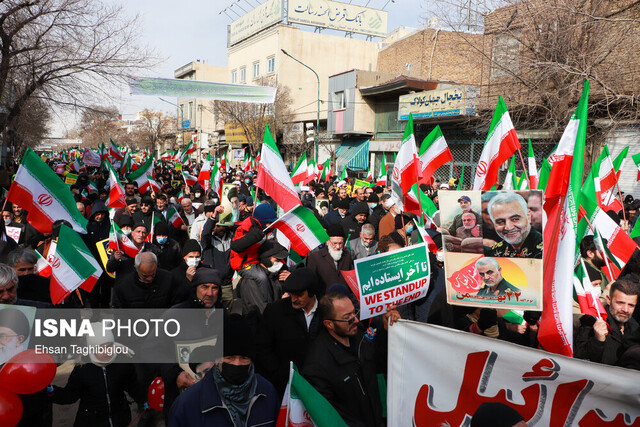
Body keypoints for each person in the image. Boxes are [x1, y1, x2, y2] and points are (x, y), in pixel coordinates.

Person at [302, 292, 400, 427]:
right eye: (348, 318)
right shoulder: (316, 365)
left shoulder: (359, 337)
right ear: (329, 324)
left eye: (355, 313)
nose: (356, 320)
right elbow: (327, 415)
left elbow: (381, 364)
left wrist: (387, 331)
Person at [168, 314, 280, 427]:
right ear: (217, 359)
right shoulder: (187, 404)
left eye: (244, 358)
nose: (237, 364)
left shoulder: (267, 393)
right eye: (229, 358)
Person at [50, 323, 145, 427]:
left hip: (119, 418)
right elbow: (70, 395)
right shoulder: (82, 369)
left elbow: (133, 386)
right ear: (91, 349)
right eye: (100, 349)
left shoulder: (122, 364)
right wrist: (51, 391)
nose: (106, 352)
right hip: (91, 421)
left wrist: (145, 398)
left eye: (109, 346)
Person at [257, 268, 321, 395]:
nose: (293, 299)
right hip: (285, 388)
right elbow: (262, 348)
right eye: (291, 294)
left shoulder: (327, 310)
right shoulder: (275, 311)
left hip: (319, 387)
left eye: (299, 295)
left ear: (312, 291)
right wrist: (280, 374)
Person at [574, 277, 640, 366]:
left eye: (631, 305)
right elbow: (579, 360)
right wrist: (598, 340)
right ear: (609, 300)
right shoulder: (591, 321)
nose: (625, 309)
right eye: (620, 303)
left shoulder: (635, 327)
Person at [234, 240, 289, 316]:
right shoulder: (251, 280)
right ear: (266, 259)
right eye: (277, 260)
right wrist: (283, 302)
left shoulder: (278, 274)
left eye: (282, 260)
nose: (281, 263)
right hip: (257, 324)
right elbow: (262, 311)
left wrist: (290, 282)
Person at [111, 252, 183, 309]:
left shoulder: (168, 279)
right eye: (145, 275)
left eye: (153, 274)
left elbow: (176, 305)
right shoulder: (124, 286)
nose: (149, 278)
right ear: (136, 268)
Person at [485, 192, 543, 258]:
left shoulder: (545, 250)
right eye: (500, 222)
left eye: (515, 219)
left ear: (528, 216)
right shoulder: (494, 253)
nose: (508, 227)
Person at [307, 224, 354, 294]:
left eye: (340, 243)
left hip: (344, 299)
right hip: (325, 301)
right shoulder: (315, 257)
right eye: (334, 243)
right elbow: (311, 283)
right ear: (327, 242)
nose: (338, 247)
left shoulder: (347, 256)